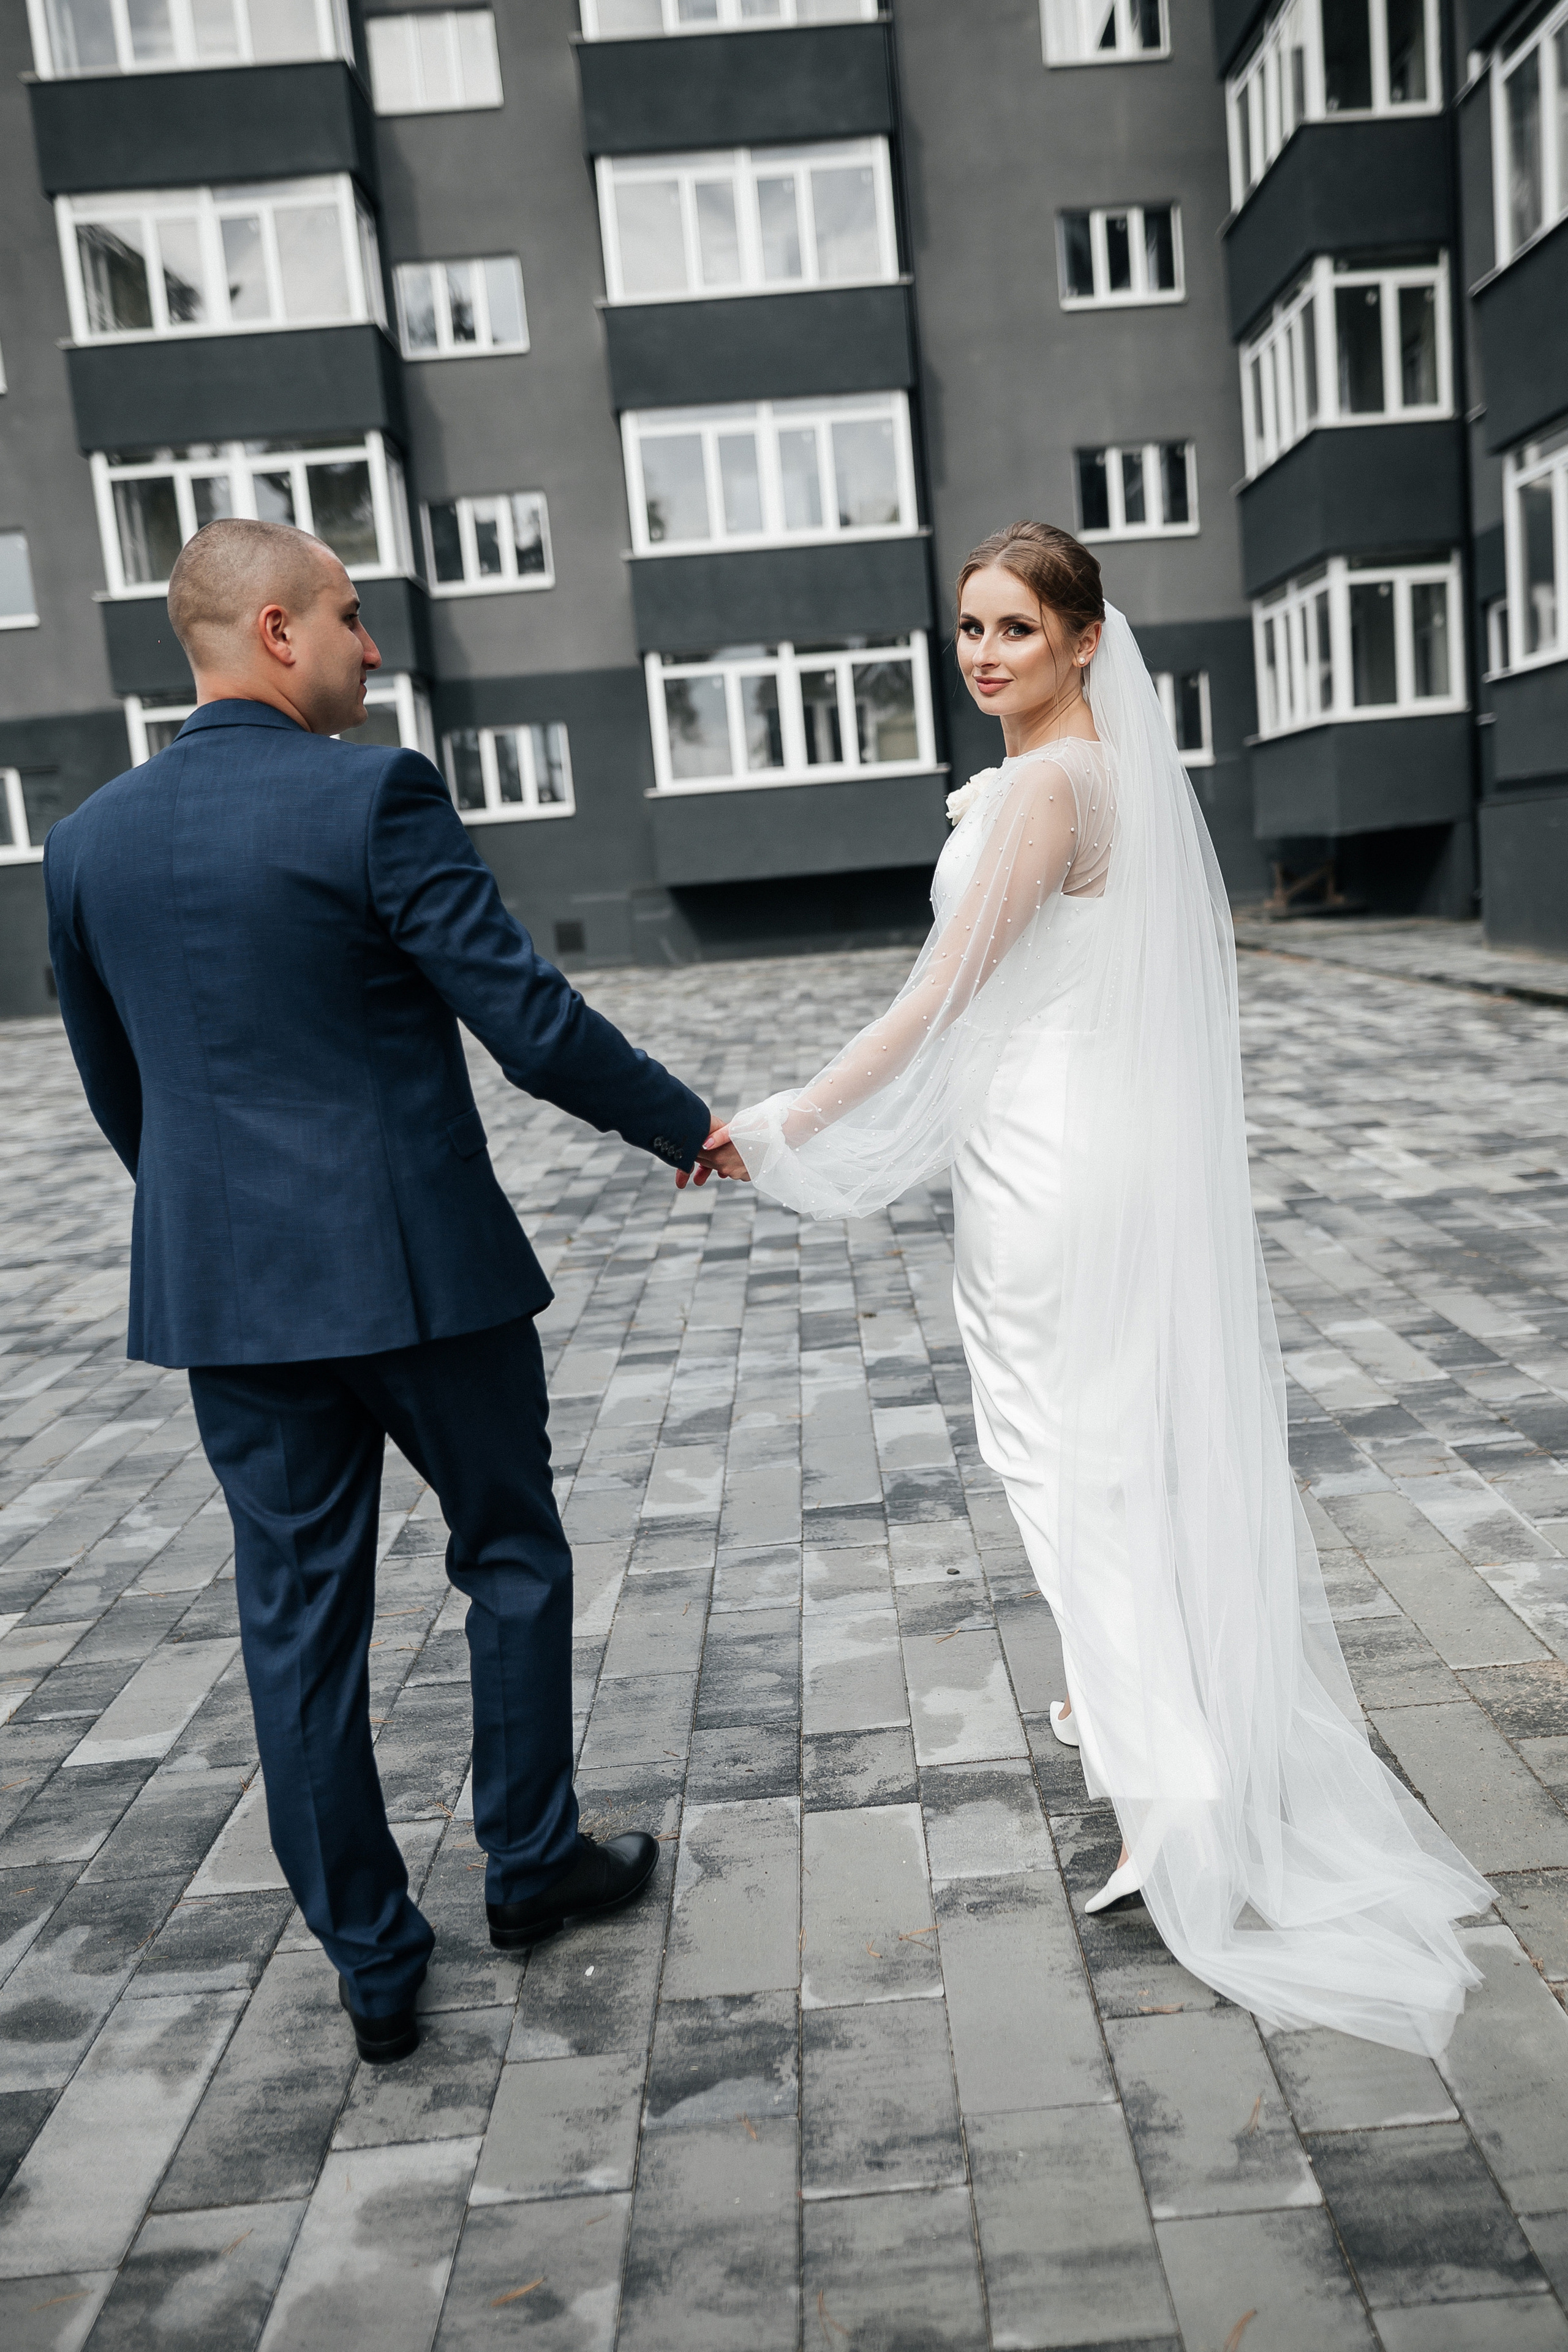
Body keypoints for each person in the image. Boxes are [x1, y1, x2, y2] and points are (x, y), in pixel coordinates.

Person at [710, 521, 1493, 2055]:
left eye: (1013, 628)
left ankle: (1169, 1797)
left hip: (1045, 1175)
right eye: (967, 628)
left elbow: (939, 999)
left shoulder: (1047, 790)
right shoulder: (1119, 778)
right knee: (1114, 1457)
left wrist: (780, 1124)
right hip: (1098, 1145)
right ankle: (1153, 1724)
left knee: (1066, 1470)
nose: (983, 653)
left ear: (1082, 640)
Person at [44, 516, 737, 2065]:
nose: (373, 645)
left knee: (296, 1624)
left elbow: (120, 1091)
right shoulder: (372, 793)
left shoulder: (85, 843)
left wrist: (220, 1222)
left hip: (231, 1297)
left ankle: (371, 1964)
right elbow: (526, 1017)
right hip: (420, 1276)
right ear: (278, 632)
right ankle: (531, 1864)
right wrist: (683, 1123)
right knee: (508, 1552)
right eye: (352, 617)